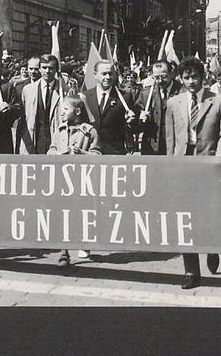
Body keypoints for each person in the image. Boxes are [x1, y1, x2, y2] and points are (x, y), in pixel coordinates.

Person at [165, 56, 221, 289]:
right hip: (183, 166)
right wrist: (171, 165)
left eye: (195, 77)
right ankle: (191, 272)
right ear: (181, 79)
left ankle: (212, 249)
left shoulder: (218, 101)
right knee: (186, 218)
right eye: (186, 77)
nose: (191, 81)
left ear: (203, 78)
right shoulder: (173, 103)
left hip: (209, 164)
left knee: (208, 214)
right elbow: (170, 139)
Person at [47, 95, 101, 268]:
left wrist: (81, 154)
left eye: (65, 110)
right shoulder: (60, 130)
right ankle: (64, 251)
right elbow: (51, 150)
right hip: (62, 180)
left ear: (77, 111)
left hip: (82, 181)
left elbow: (97, 155)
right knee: (63, 214)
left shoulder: (89, 131)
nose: (61, 113)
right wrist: (59, 154)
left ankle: (85, 242)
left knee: (81, 213)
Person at [82, 60, 136, 155]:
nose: (108, 77)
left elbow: (132, 127)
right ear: (95, 75)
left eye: (110, 74)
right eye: (104, 74)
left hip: (114, 152)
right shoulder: (85, 97)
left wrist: (130, 122)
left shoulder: (124, 97)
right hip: (89, 151)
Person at [17, 54, 63, 155]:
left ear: (56, 70)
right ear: (40, 69)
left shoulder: (65, 91)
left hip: (55, 142)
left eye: (51, 68)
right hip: (34, 141)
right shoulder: (28, 90)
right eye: (44, 67)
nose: (47, 71)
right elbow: (23, 118)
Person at [135, 60, 182, 155]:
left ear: (171, 73)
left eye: (164, 77)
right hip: (152, 148)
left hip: (176, 147)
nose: (160, 81)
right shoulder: (146, 94)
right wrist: (139, 119)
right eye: (156, 77)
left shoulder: (183, 92)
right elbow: (135, 127)